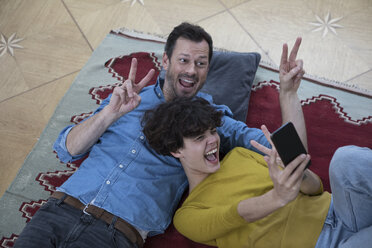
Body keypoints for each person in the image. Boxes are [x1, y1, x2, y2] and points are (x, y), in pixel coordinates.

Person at [14, 22, 305, 248]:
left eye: (201, 63)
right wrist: (109, 115)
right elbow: (67, 150)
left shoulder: (210, 120)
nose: (192, 71)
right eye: (184, 60)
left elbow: (289, 151)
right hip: (58, 209)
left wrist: (288, 94)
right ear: (165, 61)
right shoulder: (125, 98)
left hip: (115, 234)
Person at [142, 97, 372, 248]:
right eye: (199, 138)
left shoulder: (239, 155)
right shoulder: (188, 216)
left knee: (346, 158)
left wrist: (296, 173)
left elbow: (315, 189)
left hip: (341, 209)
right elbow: (238, 214)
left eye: (212, 131)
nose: (212, 140)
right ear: (176, 150)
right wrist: (278, 197)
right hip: (323, 245)